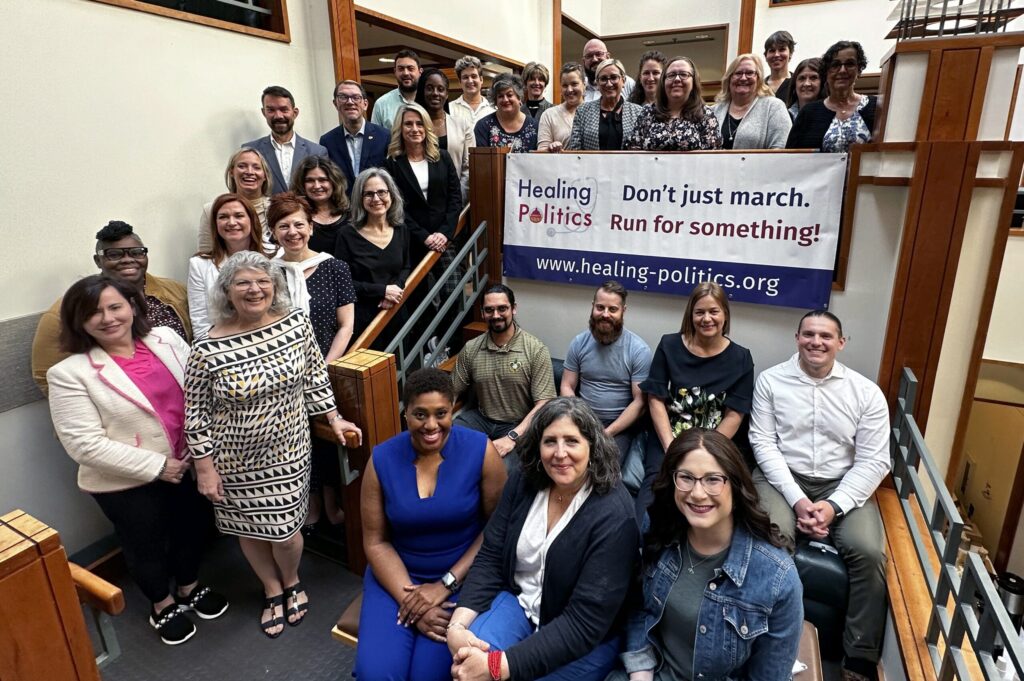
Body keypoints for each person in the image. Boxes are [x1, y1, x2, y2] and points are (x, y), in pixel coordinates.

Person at [184, 251, 362, 639]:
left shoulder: (296, 325)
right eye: (243, 282)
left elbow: (315, 377)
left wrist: (334, 419)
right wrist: (204, 467)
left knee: (284, 532)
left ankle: (292, 578)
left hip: (289, 451)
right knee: (248, 530)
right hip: (232, 459)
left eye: (263, 281)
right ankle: (271, 588)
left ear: (275, 286)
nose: (255, 289)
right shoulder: (206, 348)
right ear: (227, 291)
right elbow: (195, 412)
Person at [47, 275, 228, 646]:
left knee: (190, 528)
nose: (109, 318)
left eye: (116, 306)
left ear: (132, 306)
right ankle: (162, 604)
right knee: (144, 544)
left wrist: (200, 450)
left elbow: (200, 393)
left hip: (189, 462)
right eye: (94, 313)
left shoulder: (167, 340)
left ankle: (189, 586)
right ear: (79, 322)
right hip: (127, 481)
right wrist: (159, 467)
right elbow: (84, 444)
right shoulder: (68, 374)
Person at [446, 398, 639, 681]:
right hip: (521, 603)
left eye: (572, 441)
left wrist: (498, 666)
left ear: (592, 447)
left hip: (582, 636)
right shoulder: (524, 480)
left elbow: (583, 623)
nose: (560, 453)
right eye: (550, 441)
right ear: (537, 445)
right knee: (465, 665)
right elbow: (491, 554)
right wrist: (458, 626)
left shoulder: (615, 513)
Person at [748, 309, 889, 681]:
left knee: (869, 551)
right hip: (782, 477)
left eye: (826, 336)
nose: (816, 342)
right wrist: (797, 500)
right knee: (771, 537)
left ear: (841, 343)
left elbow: (875, 460)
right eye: (808, 334)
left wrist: (833, 505)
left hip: (842, 483)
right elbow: (762, 443)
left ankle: (859, 658)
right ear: (797, 338)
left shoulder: (866, 393)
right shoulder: (771, 381)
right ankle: (765, 634)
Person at [614, 429, 803, 681]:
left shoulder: (777, 576)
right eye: (686, 478)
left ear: (735, 488)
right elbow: (640, 608)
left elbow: (769, 675)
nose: (698, 493)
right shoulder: (658, 528)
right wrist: (640, 672)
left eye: (713, 479)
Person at [355, 369, 507, 680]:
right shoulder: (381, 459)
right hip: (397, 580)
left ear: (453, 409)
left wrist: (444, 584)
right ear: (405, 412)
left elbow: (496, 529)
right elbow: (375, 541)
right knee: (377, 674)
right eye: (419, 414)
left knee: (431, 674)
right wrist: (412, 601)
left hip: (461, 578)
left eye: (441, 413)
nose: (431, 425)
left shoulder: (482, 451)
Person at [269, 192, 356, 532]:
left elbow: (346, 324)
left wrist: (322, 367)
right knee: (295, 439)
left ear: (310, 226)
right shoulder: (267, 273)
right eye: (283, 225)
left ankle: (333, 504)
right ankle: (312, 503)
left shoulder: (334, 267)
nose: (292, 232)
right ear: (274, 231)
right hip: (282, 373)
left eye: (299, 224)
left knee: (325, 437)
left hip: (325, 367)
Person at [638, 282, 755, 519]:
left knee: (712, 496)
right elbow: (655, 400)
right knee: (653, 495)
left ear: (725, 315)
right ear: (690, 315)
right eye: (699, 312)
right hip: (668, 439)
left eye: (714, 311)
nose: (706, 318)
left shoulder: (741, 358)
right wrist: (671, 447)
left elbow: (735, 414)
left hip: (716, 443)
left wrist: (705, 453)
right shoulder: (669, 345)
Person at [32, 221, 191, 395]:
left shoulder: (176, 290)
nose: (127, 259)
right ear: (98, 260)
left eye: (136, 252)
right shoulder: (63, 311)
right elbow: (45, 374)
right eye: (114, 254)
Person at [452, 284, 557, 469]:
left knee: (502, 470)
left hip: (519, 424)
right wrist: (438, 418)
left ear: (513, 309)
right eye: (489, 310)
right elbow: (451, 391)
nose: (496, 315)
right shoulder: (471, 348)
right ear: (482, 313)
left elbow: (545, 404)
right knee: (449, 445)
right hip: (481, 419)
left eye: (502, 308)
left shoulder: (535, 349)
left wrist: (512, 437)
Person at [560, 281, 652, 462]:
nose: (605, 314)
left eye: (613, 309)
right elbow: (566, 385)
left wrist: (606, 433)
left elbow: (640, 402)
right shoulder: (579, 343)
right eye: (600, 307)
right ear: (593, 306)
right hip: (581, 418)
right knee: (558, 456)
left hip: (618, 426)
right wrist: (581, 419)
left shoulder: (638, 350)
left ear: (623, 311)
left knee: (602, 467)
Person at [334, 168, 411, 349]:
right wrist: (382, 291)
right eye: (368, 194)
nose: (376, 199)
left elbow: (406, 267)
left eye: (382, 192)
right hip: (364, 319)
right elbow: (342, 282)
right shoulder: (346, 235)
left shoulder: (401, 229)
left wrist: (394, 291)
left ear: (391, 194)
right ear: (360, 200)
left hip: (395, 312)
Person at [384, 103, 463, 266]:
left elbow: (455, 197)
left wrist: (444, 233)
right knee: (420, 290)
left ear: (427, 127)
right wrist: (423, 236)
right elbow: (396, 207)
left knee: (453, 288)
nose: (414, 129)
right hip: (412, 241)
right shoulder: (391, 164)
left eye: (419, 123)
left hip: (444, 239)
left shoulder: (443, 157)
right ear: (400, 128)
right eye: (408, 124)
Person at [188, 193, 266, 339]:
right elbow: (200, 324)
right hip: (222, 348)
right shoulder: (199, 265)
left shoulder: (274, 257)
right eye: (223, 217)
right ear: (215, 224)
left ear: (252, 220)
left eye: (239, 215)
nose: (231, 222)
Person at [787, 41, 876, 153]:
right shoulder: (808, 113)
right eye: (835, 65)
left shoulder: (877, 107)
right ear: (826, 72)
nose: (842, 70)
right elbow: (791, 158)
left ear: (859, 69)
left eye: (849, 64)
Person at [242, 85, 328, 202]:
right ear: (264, 112)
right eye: (271, 110)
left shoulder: (317, 151)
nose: (278, 116)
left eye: (284, 109)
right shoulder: (251, 150)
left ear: (295, 112)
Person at [625, 56, 722, 151]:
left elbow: (712, 158)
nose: (677, 79)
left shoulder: (706, 115)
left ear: (693, 81)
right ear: (663, 82)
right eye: (671, 75)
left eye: (684, 74)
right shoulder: (647, 113)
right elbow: (634, 150)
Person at [319, 80, 391, 196]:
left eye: (356, 97)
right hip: (344, 207)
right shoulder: (327, 141)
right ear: (335, 103)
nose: (350, 102)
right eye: (343, 97)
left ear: (365, 104)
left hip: (376, 204)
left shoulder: (385, 136)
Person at [198, 148, 275, 254]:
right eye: (242, 166)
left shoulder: (276, 208)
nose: (249, 172)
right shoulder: (211, 210)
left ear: (265, 175)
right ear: (231, 172)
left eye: (256, 167)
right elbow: (205, 256)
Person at [416, 67, 474, 200]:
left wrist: (458, 199)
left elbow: (468, 168)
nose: (435, 93)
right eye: (429, 88)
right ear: (422, 91)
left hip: (454, 198)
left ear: (447, 94)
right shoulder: (413, 126)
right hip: (420, 199)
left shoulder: (463, 125)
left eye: (440, 89)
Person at [712, 54, 792, 150]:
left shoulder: (774, 107)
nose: (743, 78)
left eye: (750, 73)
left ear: (758, 78)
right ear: (729, 78)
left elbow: (780, 149)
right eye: (738, 73)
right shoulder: (713, 111)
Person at [566, 58, 644, 151]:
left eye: (614, 77)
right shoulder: (582, 111)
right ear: (597, 84)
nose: (609, 84)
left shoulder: (638, 112)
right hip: (592, 165)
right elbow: (575, 150)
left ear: (623, 80)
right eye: (603, 79)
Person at [290, 155, 351, 256]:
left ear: (334, 182)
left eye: (323, 180)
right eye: (310, 180)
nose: (317, 186)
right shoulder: (295, 215)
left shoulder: (351, 215)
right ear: (302, 184)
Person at [474, 73, 538, 153]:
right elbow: (482, 161)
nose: (505, 100)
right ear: (495, 101)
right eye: (500, 96)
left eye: (509, 95)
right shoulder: (483, 126)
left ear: (519, 98)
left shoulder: (534, 127)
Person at [537, 62, 585, 153]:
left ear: (584, 85)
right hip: (560, 166)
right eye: (565, 85)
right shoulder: (549, 115)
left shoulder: (594, 112)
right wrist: (550, 149)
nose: (569, 90)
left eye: (574, 84)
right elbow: (541, 152)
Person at [371, 49, 423, 129]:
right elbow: (376, 138)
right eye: (401, 69)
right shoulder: (382, 104)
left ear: (420, 71)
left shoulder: (429, 101)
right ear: (395, 71)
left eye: (410, 68)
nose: (406, 73)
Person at [450, 56, 496, 127]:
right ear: (460, 82)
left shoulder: (494, 109)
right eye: (465, 77)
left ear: (481, 80)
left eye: (474, 76)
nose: (470, 81)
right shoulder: (450, 109)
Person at [764, 30, 797, 101]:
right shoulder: (759, 86)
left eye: (782, 49)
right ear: (766, 56)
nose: (776, 55)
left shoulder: (797, 84)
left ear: (790, 53)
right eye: (772, 50)